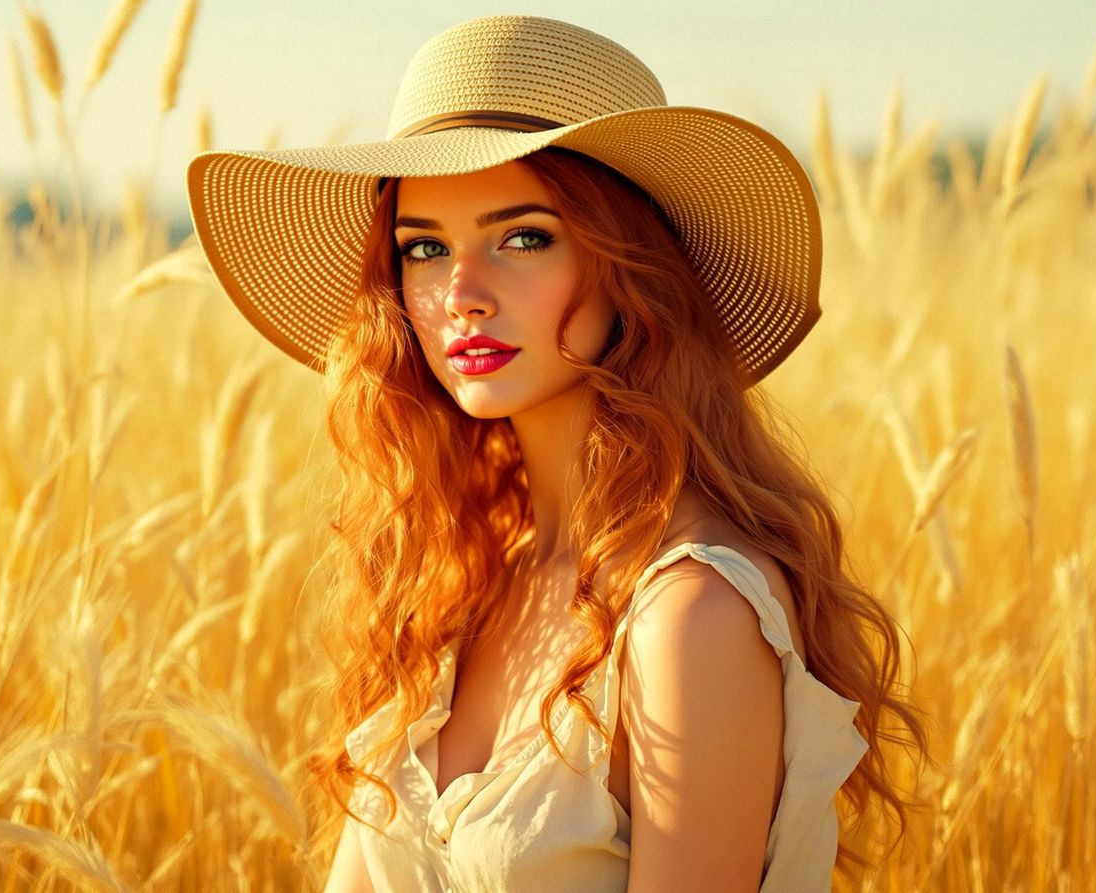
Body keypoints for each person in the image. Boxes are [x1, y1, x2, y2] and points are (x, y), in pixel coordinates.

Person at [185, 14, 929, 893]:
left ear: (631, 265)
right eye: (424, 248)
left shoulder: (690, 615)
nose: (460, 294)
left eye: (523, 236)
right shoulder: (458, 584)